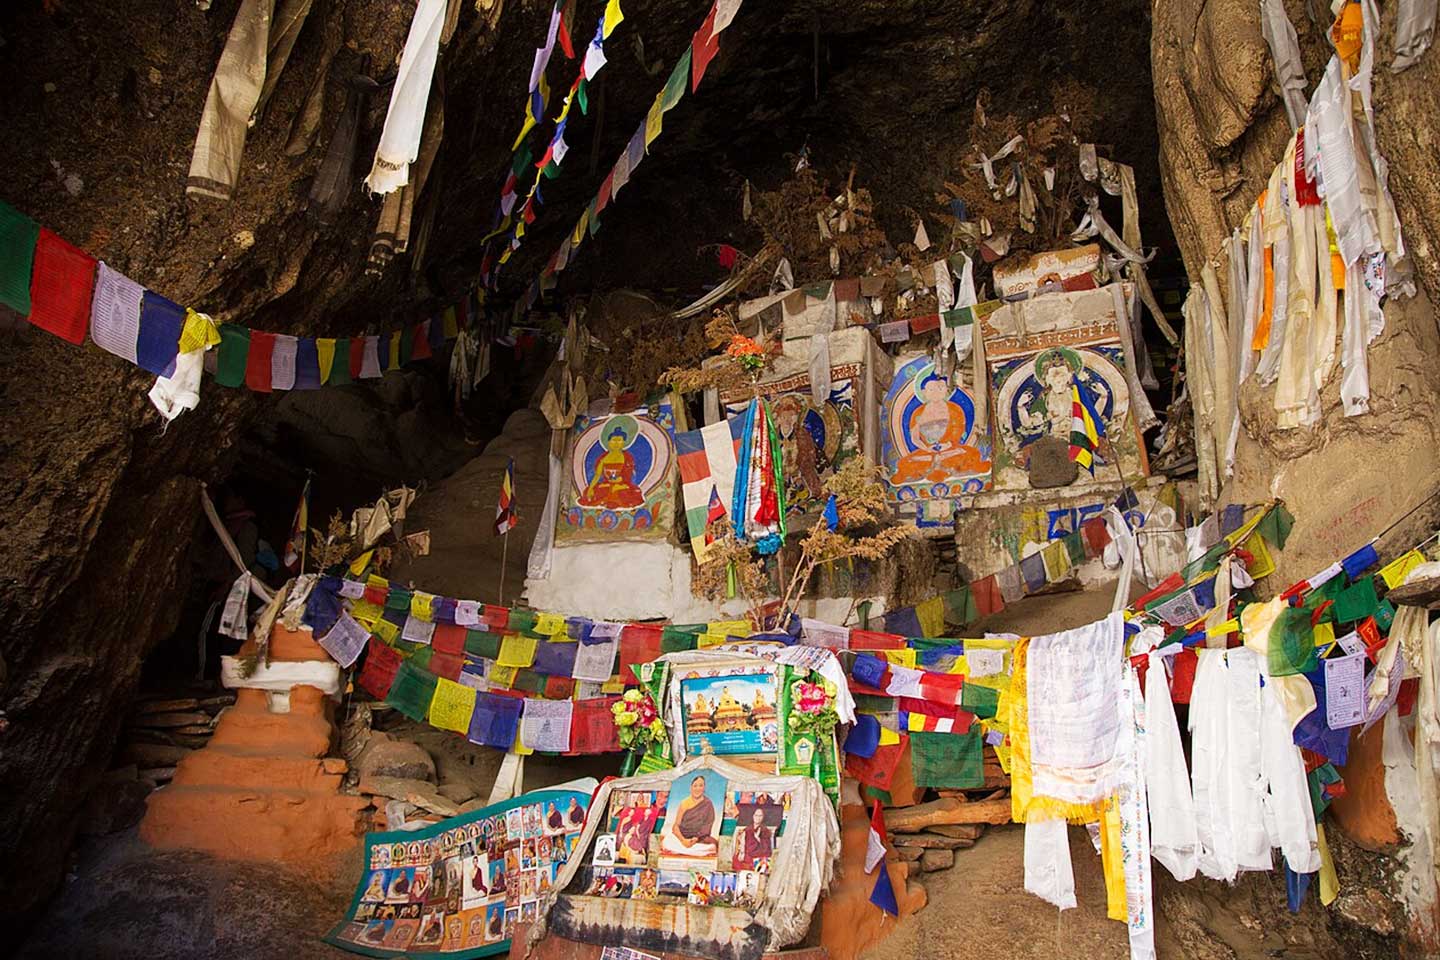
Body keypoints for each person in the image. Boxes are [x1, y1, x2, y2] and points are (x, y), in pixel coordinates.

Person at [891, 374, 991, 483]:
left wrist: (947, 445)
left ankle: (940, 466)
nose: (936, 392)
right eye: (931, 389)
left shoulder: (954, 409)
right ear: (924, 392)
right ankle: (937, 465)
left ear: (947, 390)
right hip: (927, 452)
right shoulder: (918, 413)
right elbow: (915, 438)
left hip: (950, 450)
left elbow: (958, 431)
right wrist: (926, 448)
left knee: (971, 454)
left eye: (940, 388)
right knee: (905, 462)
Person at [578, 427, 645, 509]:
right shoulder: (603, 458)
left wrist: (620, 482)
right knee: (593, 492)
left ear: (624, 442)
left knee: (628, 493)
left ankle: (614, 500)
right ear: (609, 442)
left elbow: (628, 476)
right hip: (606, 485)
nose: (616, 443)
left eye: (619, 440)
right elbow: (597, 475)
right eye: (614, 440)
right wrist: (591, 488)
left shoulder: (627, 457)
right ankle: (609, 499)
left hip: (622, 485)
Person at [661, 775, 718, 857]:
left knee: (712, 846)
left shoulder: (708, 804)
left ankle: (680, 850)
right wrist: (683, 841)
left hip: (699, 839)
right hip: (682, 837)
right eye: (695, 786)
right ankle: (687, 850)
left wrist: (695, 839)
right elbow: (676, 826)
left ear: (704, 788)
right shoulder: (684, 803)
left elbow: (707, 826)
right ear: (691, 788)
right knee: (667, 841)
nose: (698, 788)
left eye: (700, 785)